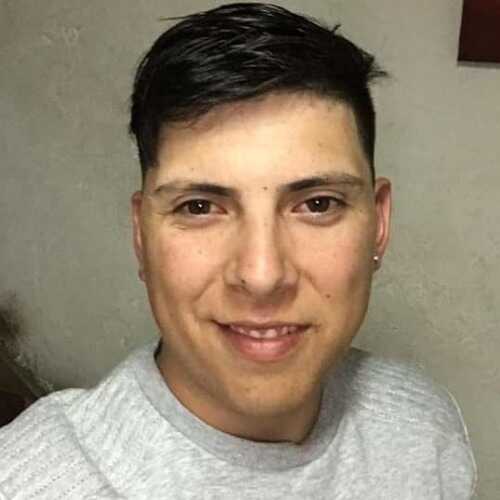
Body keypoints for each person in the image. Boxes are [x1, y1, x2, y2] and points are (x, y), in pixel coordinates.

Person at [0, 3, 477, 499]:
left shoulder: (423, 429)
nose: (262, 274)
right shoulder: (28, 483)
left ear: (379, 224)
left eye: (317, 204)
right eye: (199, 207)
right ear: (141, 236)